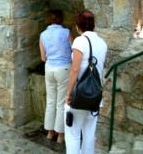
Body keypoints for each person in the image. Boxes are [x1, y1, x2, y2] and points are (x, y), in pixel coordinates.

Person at [65, 10, 108, 154]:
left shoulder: (80, 41)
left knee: (73, 135)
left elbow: (75, 70)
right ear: (93, 25)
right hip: (95, 95)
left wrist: (69, 93)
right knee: (89, 135)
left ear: (78, 26)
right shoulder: (102, 43)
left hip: (80, 95)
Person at [39, 9, 73, 144]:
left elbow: (43, 57)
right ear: (61, 19)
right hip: (63, 69)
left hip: (49, 69)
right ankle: (60, 135)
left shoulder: (42, 35)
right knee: (61, 103)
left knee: (50, 101)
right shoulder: (67, 33)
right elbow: (74, 52)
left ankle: (49, 132)